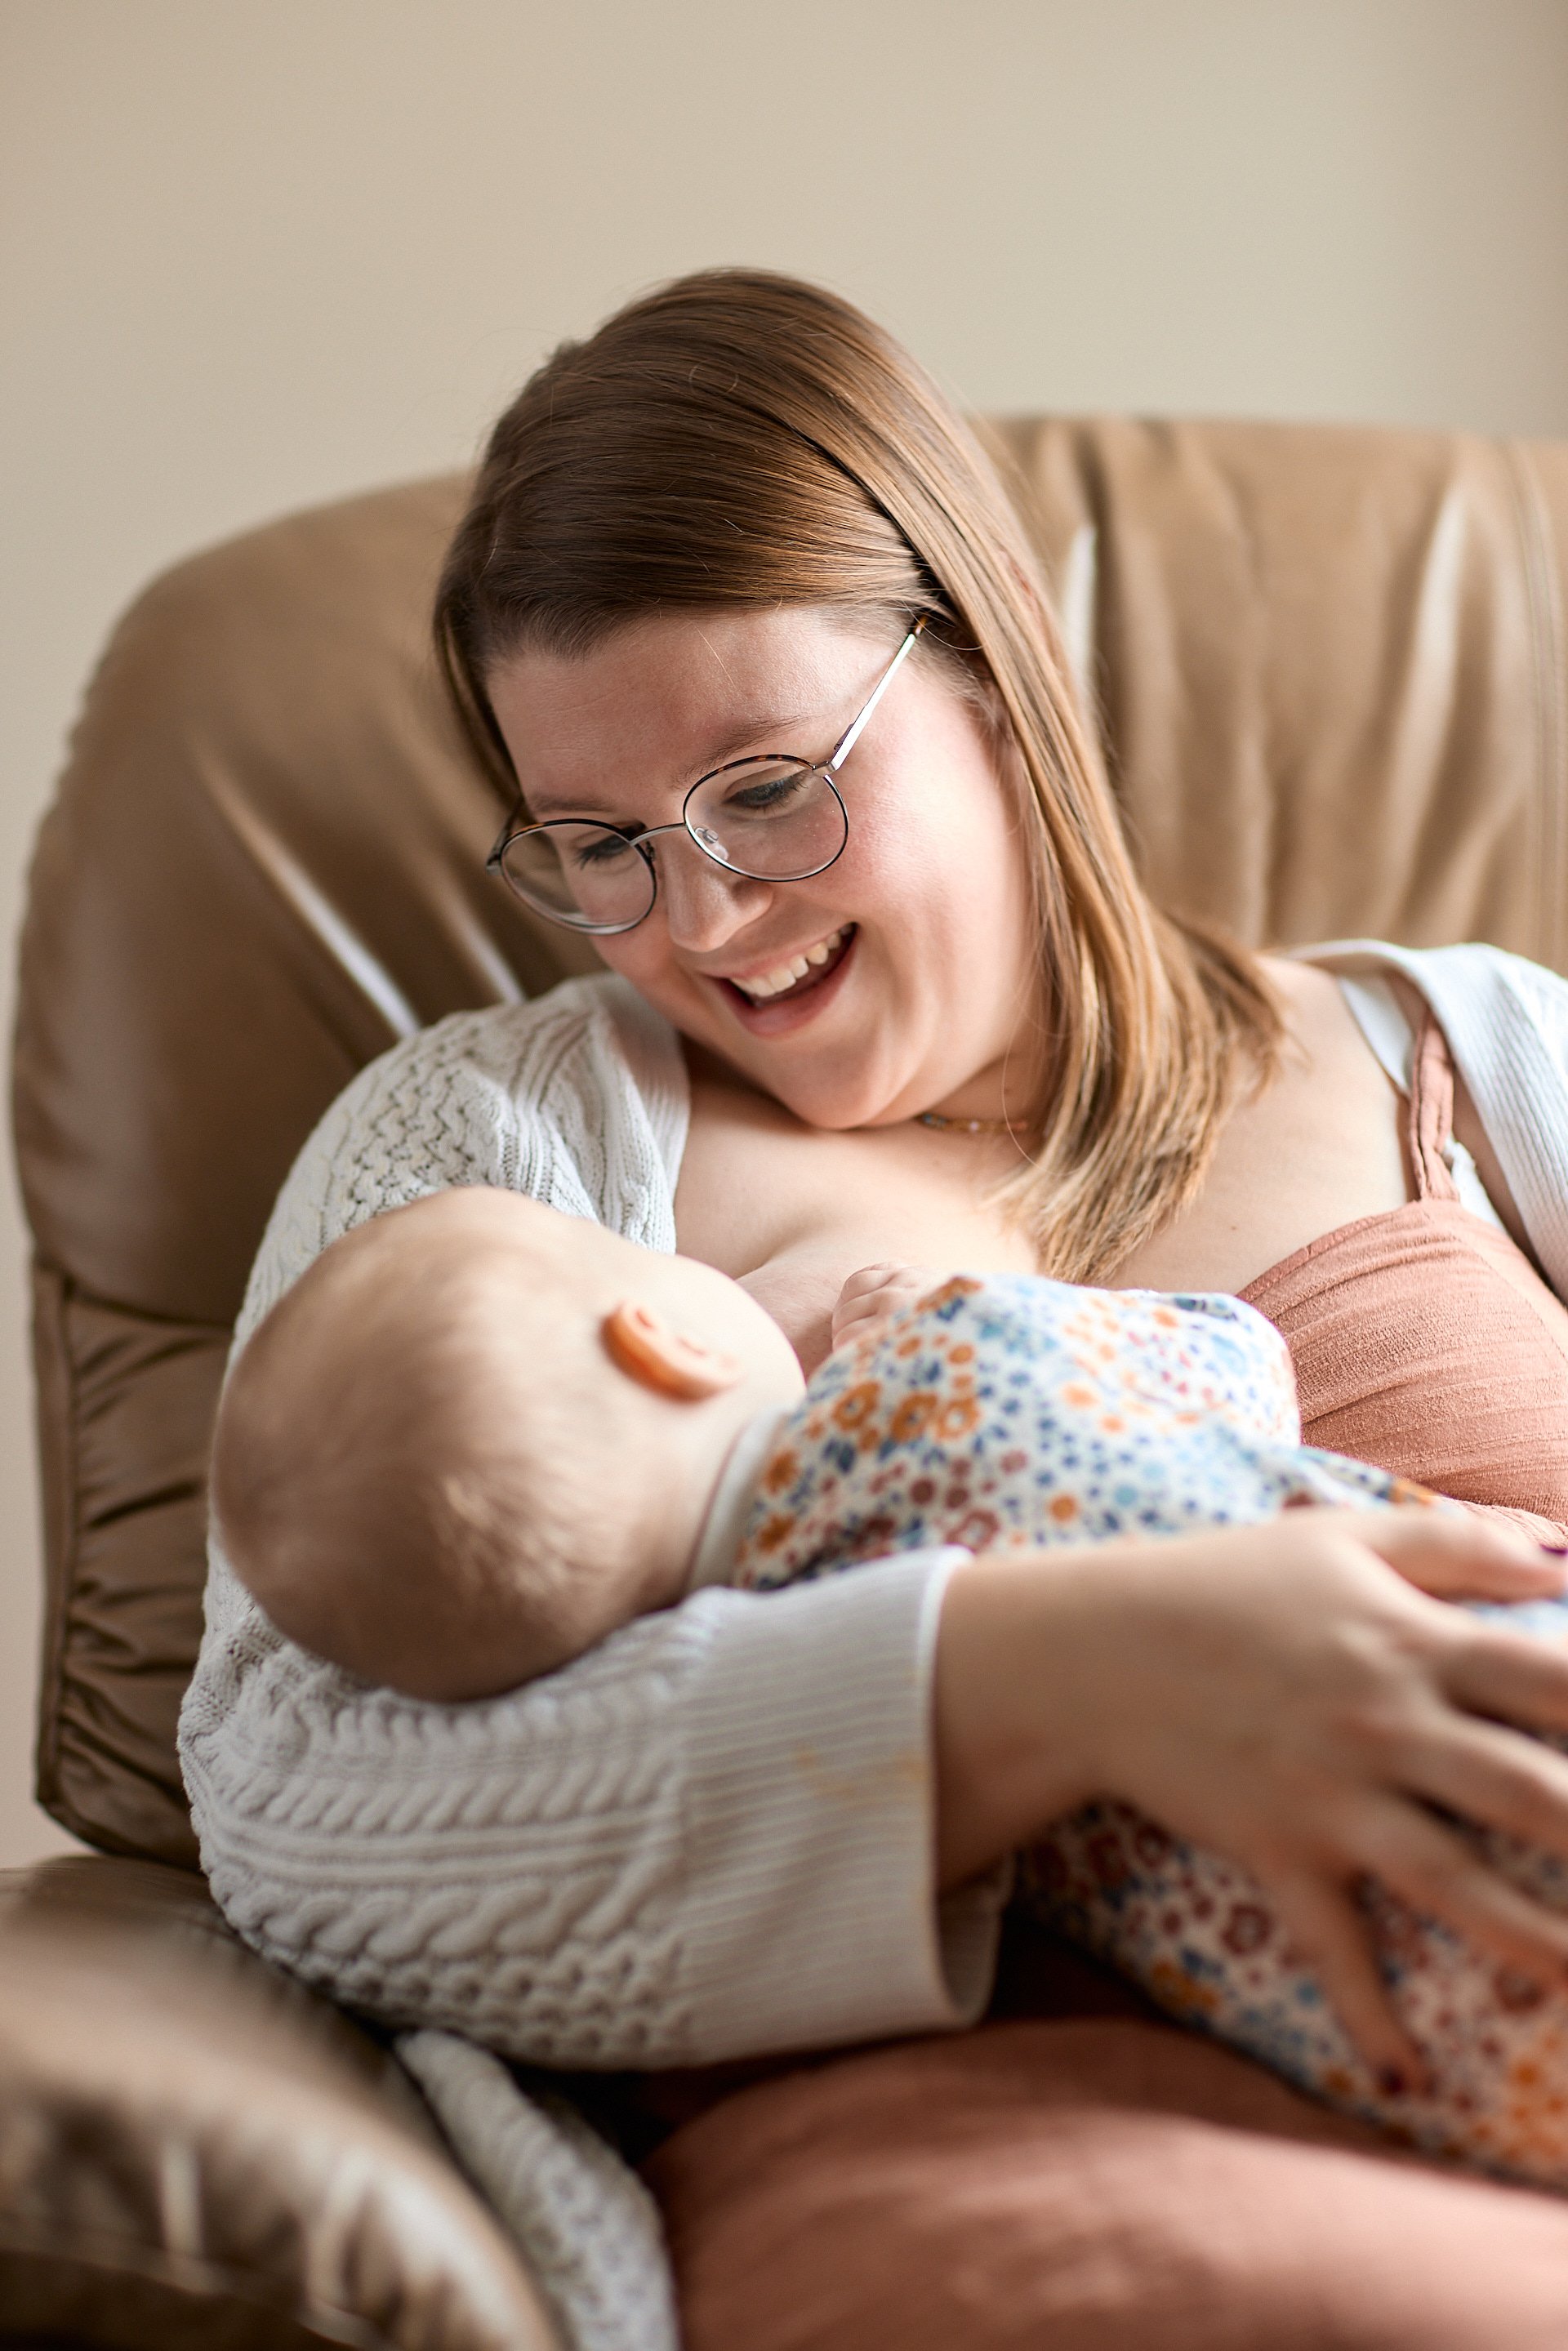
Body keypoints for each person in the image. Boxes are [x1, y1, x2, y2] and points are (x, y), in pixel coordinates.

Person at [179, 267, 1568, 2351]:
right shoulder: (501, 1154)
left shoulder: (1473, 1058)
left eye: (763, 788)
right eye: (598, 844)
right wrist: (1040, 1682)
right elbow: (294, 1808)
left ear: (993, 674)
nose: (706, 923)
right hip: (1023, 2193)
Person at [212, 1183, 1568, 2191]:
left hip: (1445, 2057)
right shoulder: (949, 1367)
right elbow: (1233, 1359)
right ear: (663, 1336)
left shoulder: (785, 1701)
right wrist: (932, 1330)